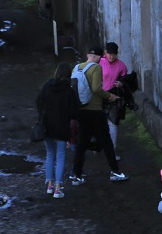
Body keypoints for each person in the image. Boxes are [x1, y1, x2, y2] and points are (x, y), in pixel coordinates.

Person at [69, 46, 128, 185]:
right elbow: (96, 88)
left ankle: (76, 175)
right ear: (99, 57)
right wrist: (110, 96)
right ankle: (116, 172)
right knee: (107, 142)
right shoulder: (96, 68)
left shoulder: (77, 67)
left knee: (81, 143)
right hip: (95, 110)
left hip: (81, 110)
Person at [36, 62, 79, 198]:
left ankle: (49, 185)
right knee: (60, 156)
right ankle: (58, 188)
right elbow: (73, 112)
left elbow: (38, 101)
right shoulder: (69, 90)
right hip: (61, 126)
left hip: (47, 125)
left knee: (50, 154)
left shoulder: (47, 86)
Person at [100, 41, 128, 158]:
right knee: (100, 123)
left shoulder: (121, 65)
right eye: (109, 53)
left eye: (114, 54)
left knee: (113, 123)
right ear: (105, 53)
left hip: (113, 97)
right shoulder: (99, 62)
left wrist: (121, 83)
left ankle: (113, 150)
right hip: (100, 95)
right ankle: (99, 145)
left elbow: (126, 79)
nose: (111, 56)